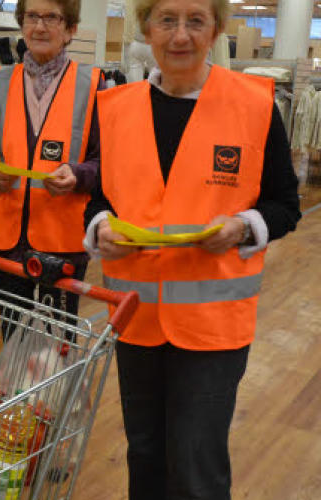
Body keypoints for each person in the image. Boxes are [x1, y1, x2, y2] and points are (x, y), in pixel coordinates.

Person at [82, 1, 302, 499]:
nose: (180, 35)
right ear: (147, 29)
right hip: (135, 320)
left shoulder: (253, 104)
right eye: (167, 20)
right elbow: (100, 199)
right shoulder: (115, 109)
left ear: (215, 30)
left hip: (214, 327)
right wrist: (99, 228)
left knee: (196, 460)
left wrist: (245, 227)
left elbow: (285, 204)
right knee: (144, 451)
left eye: (195, 21)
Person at [0, 0, 103, 330]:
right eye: (32, 16)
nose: (40, 27)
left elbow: (107, 163)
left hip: (63, 242)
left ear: (70, 29)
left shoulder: (93, 85)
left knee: (58, 340)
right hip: (6, 240)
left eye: (51, 18)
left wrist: (78, 174)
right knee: (13, 336)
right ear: (22, 23)